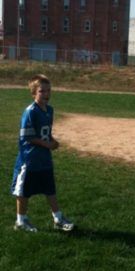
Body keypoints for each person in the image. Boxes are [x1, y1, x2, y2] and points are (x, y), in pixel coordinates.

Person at [11, 74, 74, 232]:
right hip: (30, 159)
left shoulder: (49, 110)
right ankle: (21, 221)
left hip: (44, 158)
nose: (46, 94)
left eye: (48, 90)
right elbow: (28, 136)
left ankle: (58, 218)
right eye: (42, 91)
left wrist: (52, 141)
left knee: (49, 188)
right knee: (24, 191)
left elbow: (45, 132)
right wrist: (47, 144)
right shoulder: (30, 112)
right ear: (33, 93)